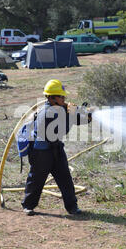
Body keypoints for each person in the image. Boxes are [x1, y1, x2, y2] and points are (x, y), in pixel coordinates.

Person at [22, 79, 92, 216]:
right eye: (62, 96)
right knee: (36, 179)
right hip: (41, 152)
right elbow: (61, 129)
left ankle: (72, 207)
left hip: (56, 150)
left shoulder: (59, 109)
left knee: (65, 179)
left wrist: (87, 116)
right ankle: (28, 205)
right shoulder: (46, 113)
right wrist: (71, 113)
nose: (64, 98)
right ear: (52, 98)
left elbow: (75, 119)